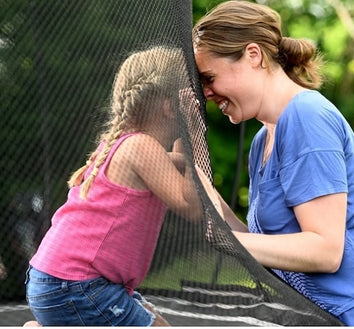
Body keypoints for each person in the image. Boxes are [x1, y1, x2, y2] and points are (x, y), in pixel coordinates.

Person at [192, 1, 354, 326]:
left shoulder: (305, 116)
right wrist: (216, 209)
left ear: (253, 55)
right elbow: (273, 250)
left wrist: (224, 238)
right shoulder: (261, 143)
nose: (206, 92)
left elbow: (325, 251)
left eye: (209, 77)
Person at [24, 46, 220, 326]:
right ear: (168, 107)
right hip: (79, 286)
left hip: (61, 280)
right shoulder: (141, 147)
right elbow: (191, 206)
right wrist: (195, 129)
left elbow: (183, 161)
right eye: (189, 97)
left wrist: (187, 128)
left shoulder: (126, 145)